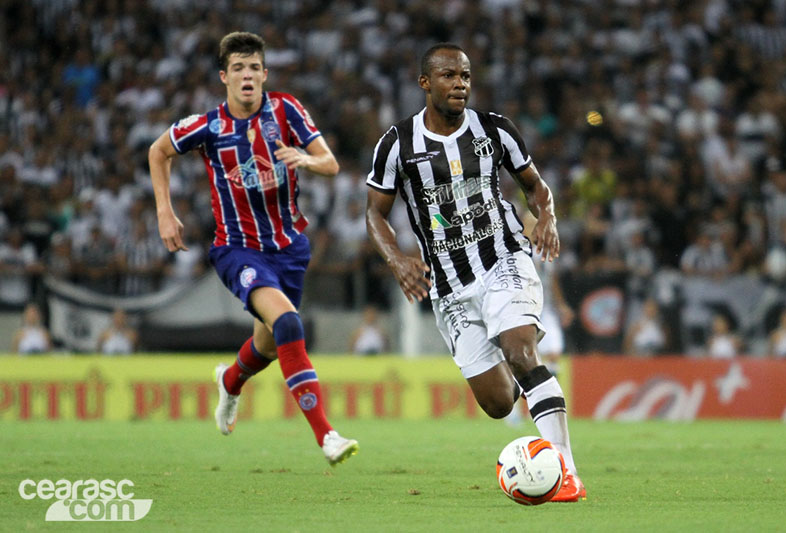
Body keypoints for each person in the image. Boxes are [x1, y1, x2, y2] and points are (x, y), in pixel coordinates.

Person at [365, 43, 584, 501]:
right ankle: (522, 374)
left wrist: (546, 218)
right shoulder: (397, 144)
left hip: (503, 257)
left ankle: (566, 471)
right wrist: (398, 259)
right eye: (448, 76)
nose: (460, 84)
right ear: (425, 83)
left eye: (465, 76)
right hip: (449, 286)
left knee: (522, 352)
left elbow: (535, 187)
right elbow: (375, 213)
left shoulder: (495, 130)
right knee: (498, 401)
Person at [148, 32, 357, 465]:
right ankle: (326, 436)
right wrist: (164, 212)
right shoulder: (208, 126)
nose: (247, 75)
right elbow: (159, 151)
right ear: (224, 77)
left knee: (267, 343)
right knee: (288, 323)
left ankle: (230, 381)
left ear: (265, 74)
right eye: (238, 68)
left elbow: (331, 163)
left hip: (289, 249)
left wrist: (306, 160)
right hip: (236, 249)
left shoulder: (287, 110)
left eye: (254, 67)